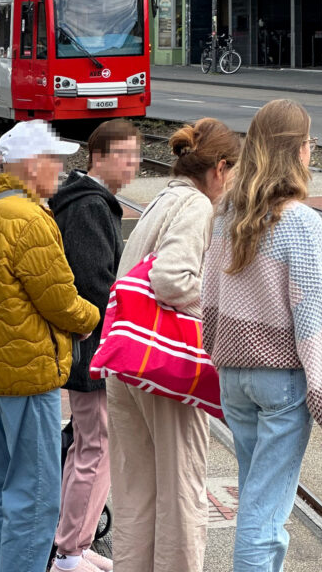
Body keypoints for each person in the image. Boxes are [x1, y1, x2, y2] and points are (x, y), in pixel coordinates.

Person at [202, 99, 322, 572]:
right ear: (296, 151)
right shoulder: (302, 224)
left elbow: (209, 301)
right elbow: (316, 320)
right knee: (266, 514)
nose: (312, 152)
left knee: (256, 494)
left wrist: (222, 354)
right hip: (281, 382)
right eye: (310, 143)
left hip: (234, 376)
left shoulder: (227, 213)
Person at [0, 120, 100, 572]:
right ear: (31, 165)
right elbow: (60, 299)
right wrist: (93, 317)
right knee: (37, 497)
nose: (61, 170)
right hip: (26, 372)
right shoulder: (31, 219)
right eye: (54, 161)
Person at [107, 118, 241, 572]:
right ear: (221, 168)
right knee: (182, 490)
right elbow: (171, 278)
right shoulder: (198, 208)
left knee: (135, 492)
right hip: (164, 370)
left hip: (127, 362)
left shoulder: (162, 199)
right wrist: (218, 307)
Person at [50, 119, 141, 572]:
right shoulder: (89, 207)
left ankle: (73, 543)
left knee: (86, 444)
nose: (134, 163)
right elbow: (94, 284)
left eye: (136, 154)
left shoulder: (86, 201)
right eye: (125, 154)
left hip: (89, 347)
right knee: (96, 447)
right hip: (94, 350)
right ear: (98, 156)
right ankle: (70, 551)